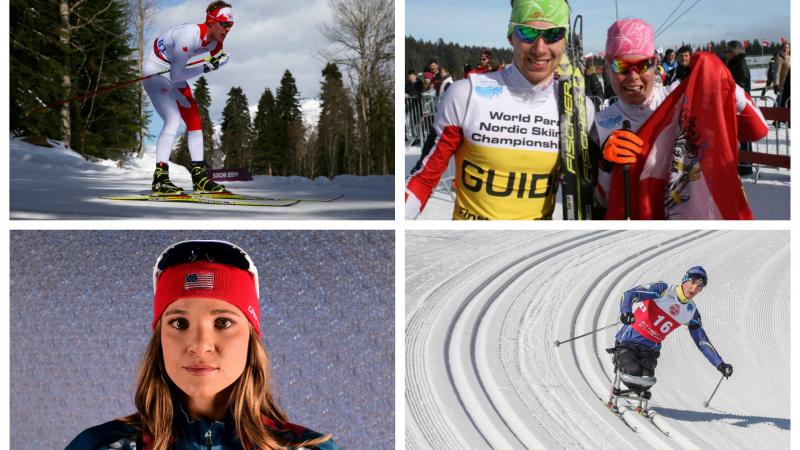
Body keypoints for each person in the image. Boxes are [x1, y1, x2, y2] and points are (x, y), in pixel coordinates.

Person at [65, 240, 339, 450]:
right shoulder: (97, 445)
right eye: (179, 324)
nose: (199, 345)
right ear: (159, 339)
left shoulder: (308, 447)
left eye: (223, 323)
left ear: (251, 337)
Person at [405, 0, 595, 220]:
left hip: (532, 245)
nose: (540, 48)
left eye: (553, 34)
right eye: (527, 33)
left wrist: (609, 166)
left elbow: (593, 193)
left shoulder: (579, 108)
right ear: (511, 37)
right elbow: (423, 179)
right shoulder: (466, 94)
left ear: (564, 41)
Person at [591, 19, 768, 218]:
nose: (633, 77)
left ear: (654, 64)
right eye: (621, 65)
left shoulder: (680, 101)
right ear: (608, 66)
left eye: (642, 65)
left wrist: (723, 80)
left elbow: (758, 130)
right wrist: (606, 166)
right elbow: (600, 203)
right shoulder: (600, 123)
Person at [607, 267, 733, 409]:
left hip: (650, 350)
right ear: (685, 279)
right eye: (693, 282)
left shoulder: (691, 312)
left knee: (645, 381)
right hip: (628, 341)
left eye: (699, 286)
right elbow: (630, 294)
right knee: (632, 373)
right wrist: (626, 312)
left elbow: (701, 341)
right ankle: (619, 363)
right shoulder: (664, 290)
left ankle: (638, 399)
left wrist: (720, 364)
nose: (694, 288)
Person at [143, 1, 234, 195]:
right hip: (156, 69)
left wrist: (217, 60)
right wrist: (207, 67)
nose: (227, 29)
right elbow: (177, 75)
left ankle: (199, 177)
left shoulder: (216, 42)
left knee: (194, 120)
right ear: (211, 21)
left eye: (231, 25)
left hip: (173, 71)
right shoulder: (189, 36)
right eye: (224, 24)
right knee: (173, 118)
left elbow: (214, 56)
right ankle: (160, 179)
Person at [726, 40, 753, 175]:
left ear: (734, 52)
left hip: (740, 104)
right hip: (735, 103)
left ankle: (745, 165)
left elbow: (740, 85)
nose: (727, 54)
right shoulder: (734, 63)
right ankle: (740, 163)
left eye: (729, 52)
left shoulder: (740, 65)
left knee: (742, 135)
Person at [775, 41, 790, 106]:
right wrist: (776, 84)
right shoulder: (780, 58)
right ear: (782, 48)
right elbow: (777, 72)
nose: (786, 49)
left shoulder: (790, 57)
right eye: (785, 47)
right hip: (784, 84)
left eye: (788, 47)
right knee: (785, 102)